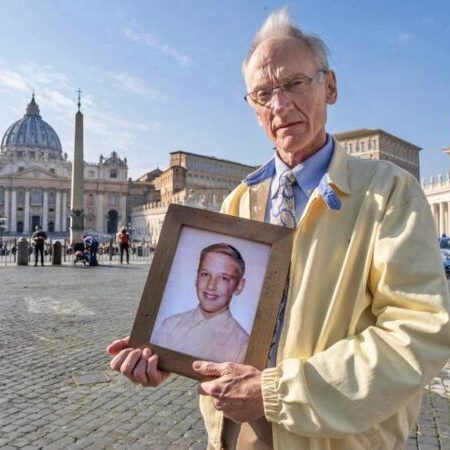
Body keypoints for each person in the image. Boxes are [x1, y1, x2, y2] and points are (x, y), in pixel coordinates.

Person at [107, 8, 450, 450]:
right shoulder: (237, 203)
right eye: (263, 93)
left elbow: (418, 331)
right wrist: (169, 357)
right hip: (234, 434)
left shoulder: (390, 195)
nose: (279, 105)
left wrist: (277, 393)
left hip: (335, 437)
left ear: (330, 86)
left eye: (294, 84)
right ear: (252, 109)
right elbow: (221, 329)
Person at [151, 243, 249, 363]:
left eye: (224, 278)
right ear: (197, 278)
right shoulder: (169, 326)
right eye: (205, 274)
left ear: (239, 286)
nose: (211, 286)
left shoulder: (244, 345)